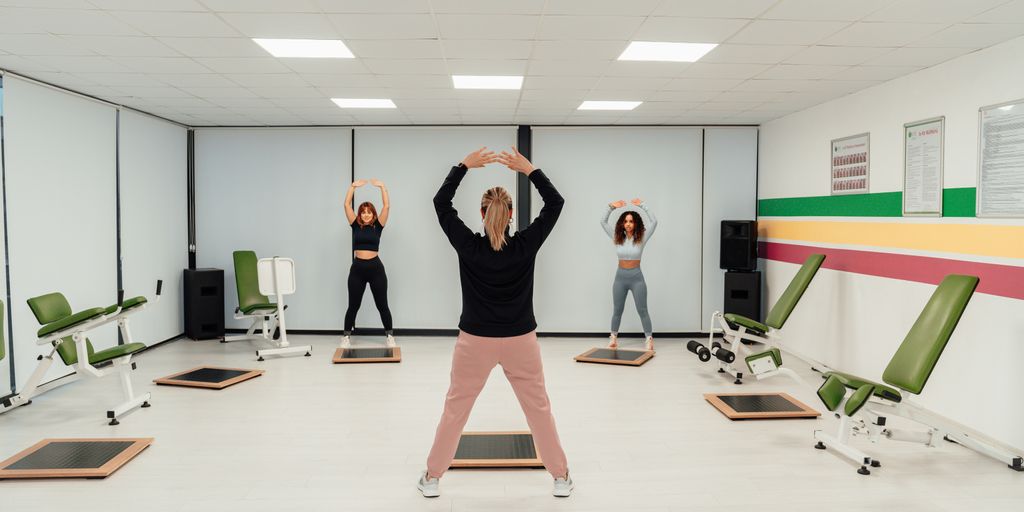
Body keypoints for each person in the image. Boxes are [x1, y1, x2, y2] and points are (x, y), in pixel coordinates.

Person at [417, 147, 572, 498]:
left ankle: (432, 478)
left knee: (455, 410)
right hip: (521, 341)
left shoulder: (469, 246)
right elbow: (555, 203)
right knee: (539, 410)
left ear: (482, 213)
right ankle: (561, 478)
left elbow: (441, 203)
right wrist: (529, 169)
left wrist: (463, 166)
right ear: (511, 214)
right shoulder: (525, 245)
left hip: (474, 342)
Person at [341, 179, 395, 348]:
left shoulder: (378, 226)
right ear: (360, 214)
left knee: (382, 305)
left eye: (369, 212)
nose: (366, 215)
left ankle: (390, 336)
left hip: (376, 269)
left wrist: (383, 187)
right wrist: (352, 187)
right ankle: (346, 337)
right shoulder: (355, 225)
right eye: (363, 212)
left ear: (373, 214)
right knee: (353, 306)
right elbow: (346, 205)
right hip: (357, 270)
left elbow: (386, 206)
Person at [600, 199, 658, 351]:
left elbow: (654, 222)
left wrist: (643, 205)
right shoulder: (617, 237)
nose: (628, 224)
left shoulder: (642, 238)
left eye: (631, 221)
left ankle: (649, 339)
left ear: (636, 223)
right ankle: (613, 338)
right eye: (625, 221)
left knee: (642, 310)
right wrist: (611, 207)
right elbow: (603, 222)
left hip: (636, 278)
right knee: (617, 310)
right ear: (622, 224)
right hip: (620, 278)